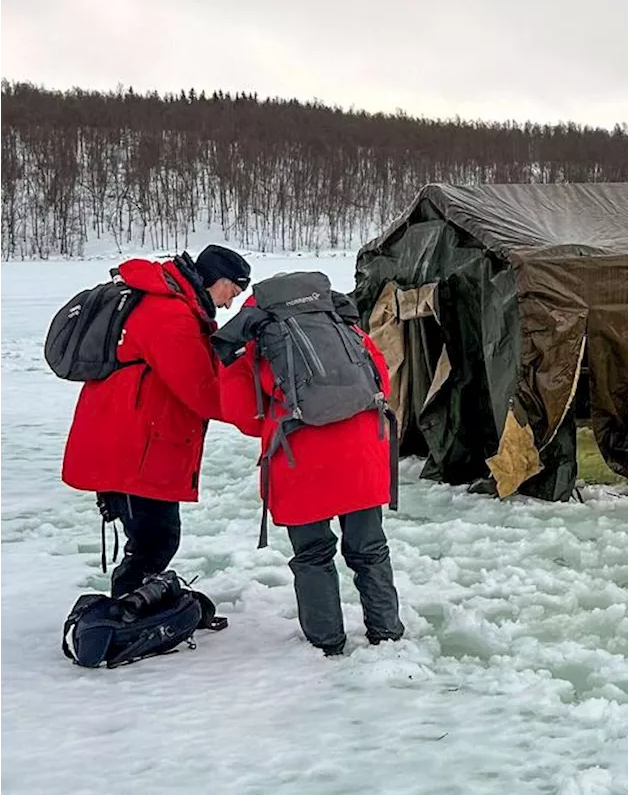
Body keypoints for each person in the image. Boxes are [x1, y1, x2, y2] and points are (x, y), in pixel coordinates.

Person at [217, 286, 405, 657]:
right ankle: (387, 635)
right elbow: (381, 379)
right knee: (370, 549)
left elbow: (240, 412)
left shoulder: (256, 338)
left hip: (298, 457)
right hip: (362, 454)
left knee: (313, 555)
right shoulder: (345, 327)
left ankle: (327, 644)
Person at [62, 245, 251, 596]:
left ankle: (134, 610)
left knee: (154, 538)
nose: (229, 304)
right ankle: (124, 616)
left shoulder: (178, 308)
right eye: (233, 292)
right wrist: (262, 416)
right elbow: (201, 390)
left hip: (137, 443)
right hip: (133, 448)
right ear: (219, 280)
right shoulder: (170, 314)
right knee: (156, 540)